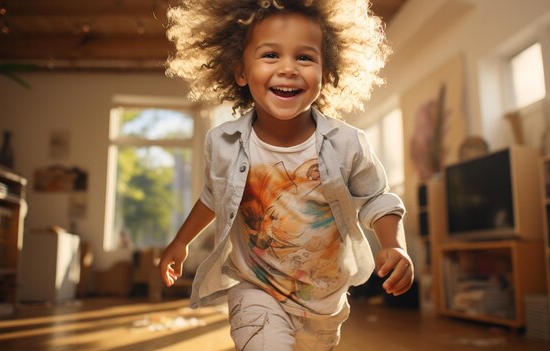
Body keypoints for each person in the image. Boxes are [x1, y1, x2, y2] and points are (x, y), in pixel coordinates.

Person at [159, 1, 414, 350]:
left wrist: (394, 245)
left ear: (327, 73)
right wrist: (180, 242)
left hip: (324, 303)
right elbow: (212, 197)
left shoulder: (347, 144)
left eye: (305, 58)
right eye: (270, 55)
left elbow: (376, 197)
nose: (289, 69)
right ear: (240, 71)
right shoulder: (223, 143)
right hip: (254, 289)